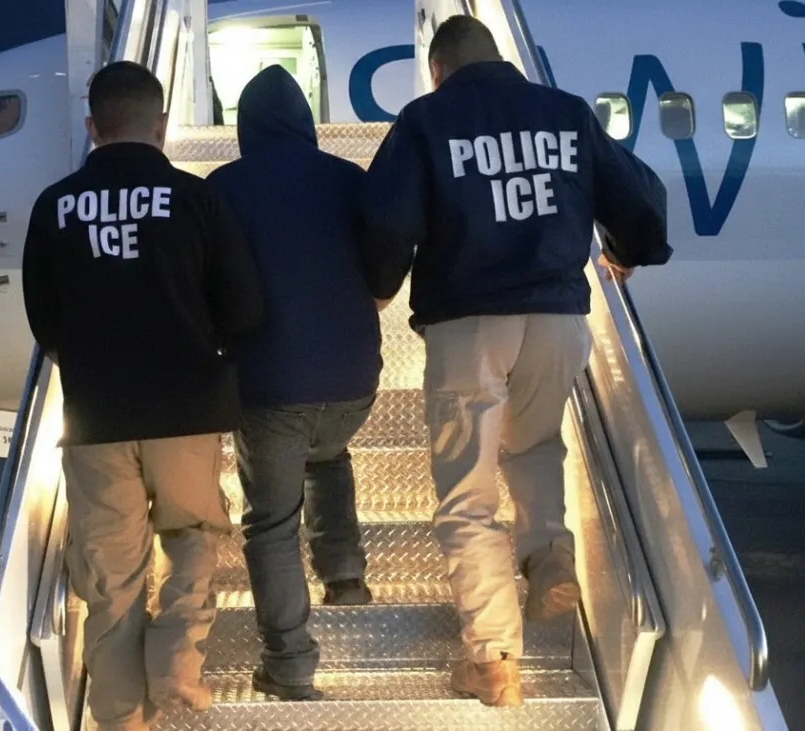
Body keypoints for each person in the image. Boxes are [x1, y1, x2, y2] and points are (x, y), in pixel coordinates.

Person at [360, 16, 672, 707]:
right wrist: (628, 250)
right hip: (560, 319)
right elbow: (643, 193)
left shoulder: (426, 121)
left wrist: (381, 281)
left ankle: (495, 655)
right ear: (500, 59)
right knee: (533, 446)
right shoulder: (565, 113)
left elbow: (385, 219)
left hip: (471, 322)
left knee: (467, 493)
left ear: (438, 70)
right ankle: (546, 552)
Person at [21, 61, 264, 730]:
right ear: (160, 126)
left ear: (93, 126)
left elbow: (45, 324)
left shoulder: (54, 206)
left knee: (112, 578)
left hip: (97, 416)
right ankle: (177, 667)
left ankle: (122, 716)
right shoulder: (196, 199)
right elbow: (244, 308)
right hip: (186, 408)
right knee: (192, 536)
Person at [206, 65, 385, 701]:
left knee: (271, 523)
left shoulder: (223, 188)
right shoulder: (347, 179)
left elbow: (216, 286)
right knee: (329, 452)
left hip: (273, 379)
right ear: (307, 123)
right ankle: (345, 575)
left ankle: (290, 665)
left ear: (244, 127)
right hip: (356, 378)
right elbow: (384, 254)